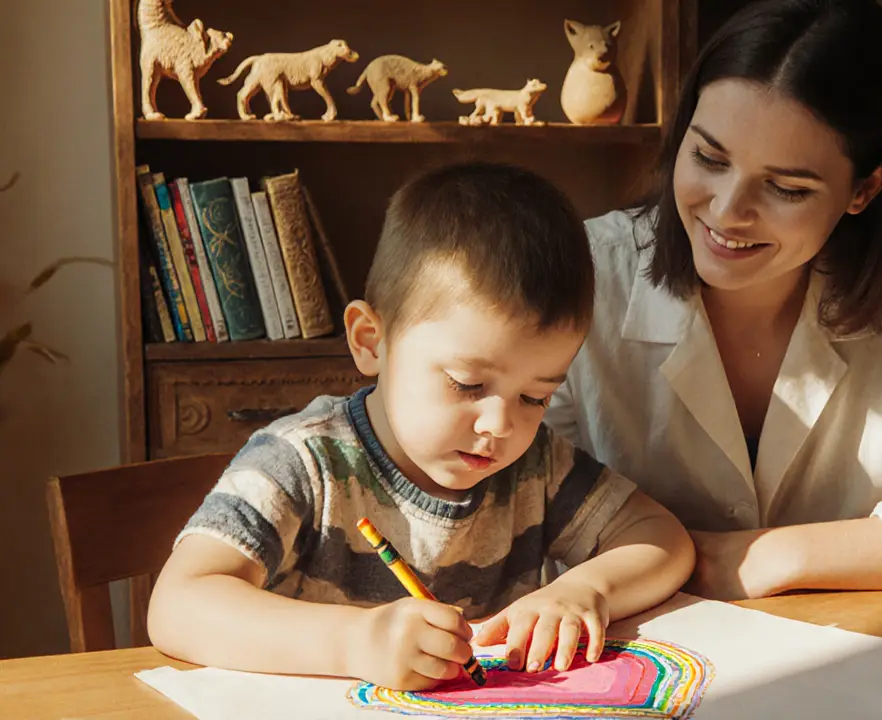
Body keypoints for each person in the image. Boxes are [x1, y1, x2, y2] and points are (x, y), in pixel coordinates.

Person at [544, 0, 882, 601]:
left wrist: (770, 556)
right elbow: (503, 517)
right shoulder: (583, 270)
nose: (725, 211)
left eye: (786, 187)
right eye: (708, 158)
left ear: (865, 188)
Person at [147, 163, 695, 691]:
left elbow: (661, 537)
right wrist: (355, 643)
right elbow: (178, 603)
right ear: (370, 341)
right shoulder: (302, 463)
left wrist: (584, 590)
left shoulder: (535, 469)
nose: (501, 424)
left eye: (536, 395)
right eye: (466, 384)